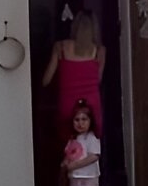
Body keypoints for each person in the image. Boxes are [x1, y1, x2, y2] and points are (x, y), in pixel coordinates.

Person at [41, 10, 104, 138]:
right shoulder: (99, 50)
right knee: (90, 145)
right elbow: (98, 79)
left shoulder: (60, 47)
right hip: (91, 106)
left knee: (69, 145)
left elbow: (46, 80)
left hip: (68, 104)